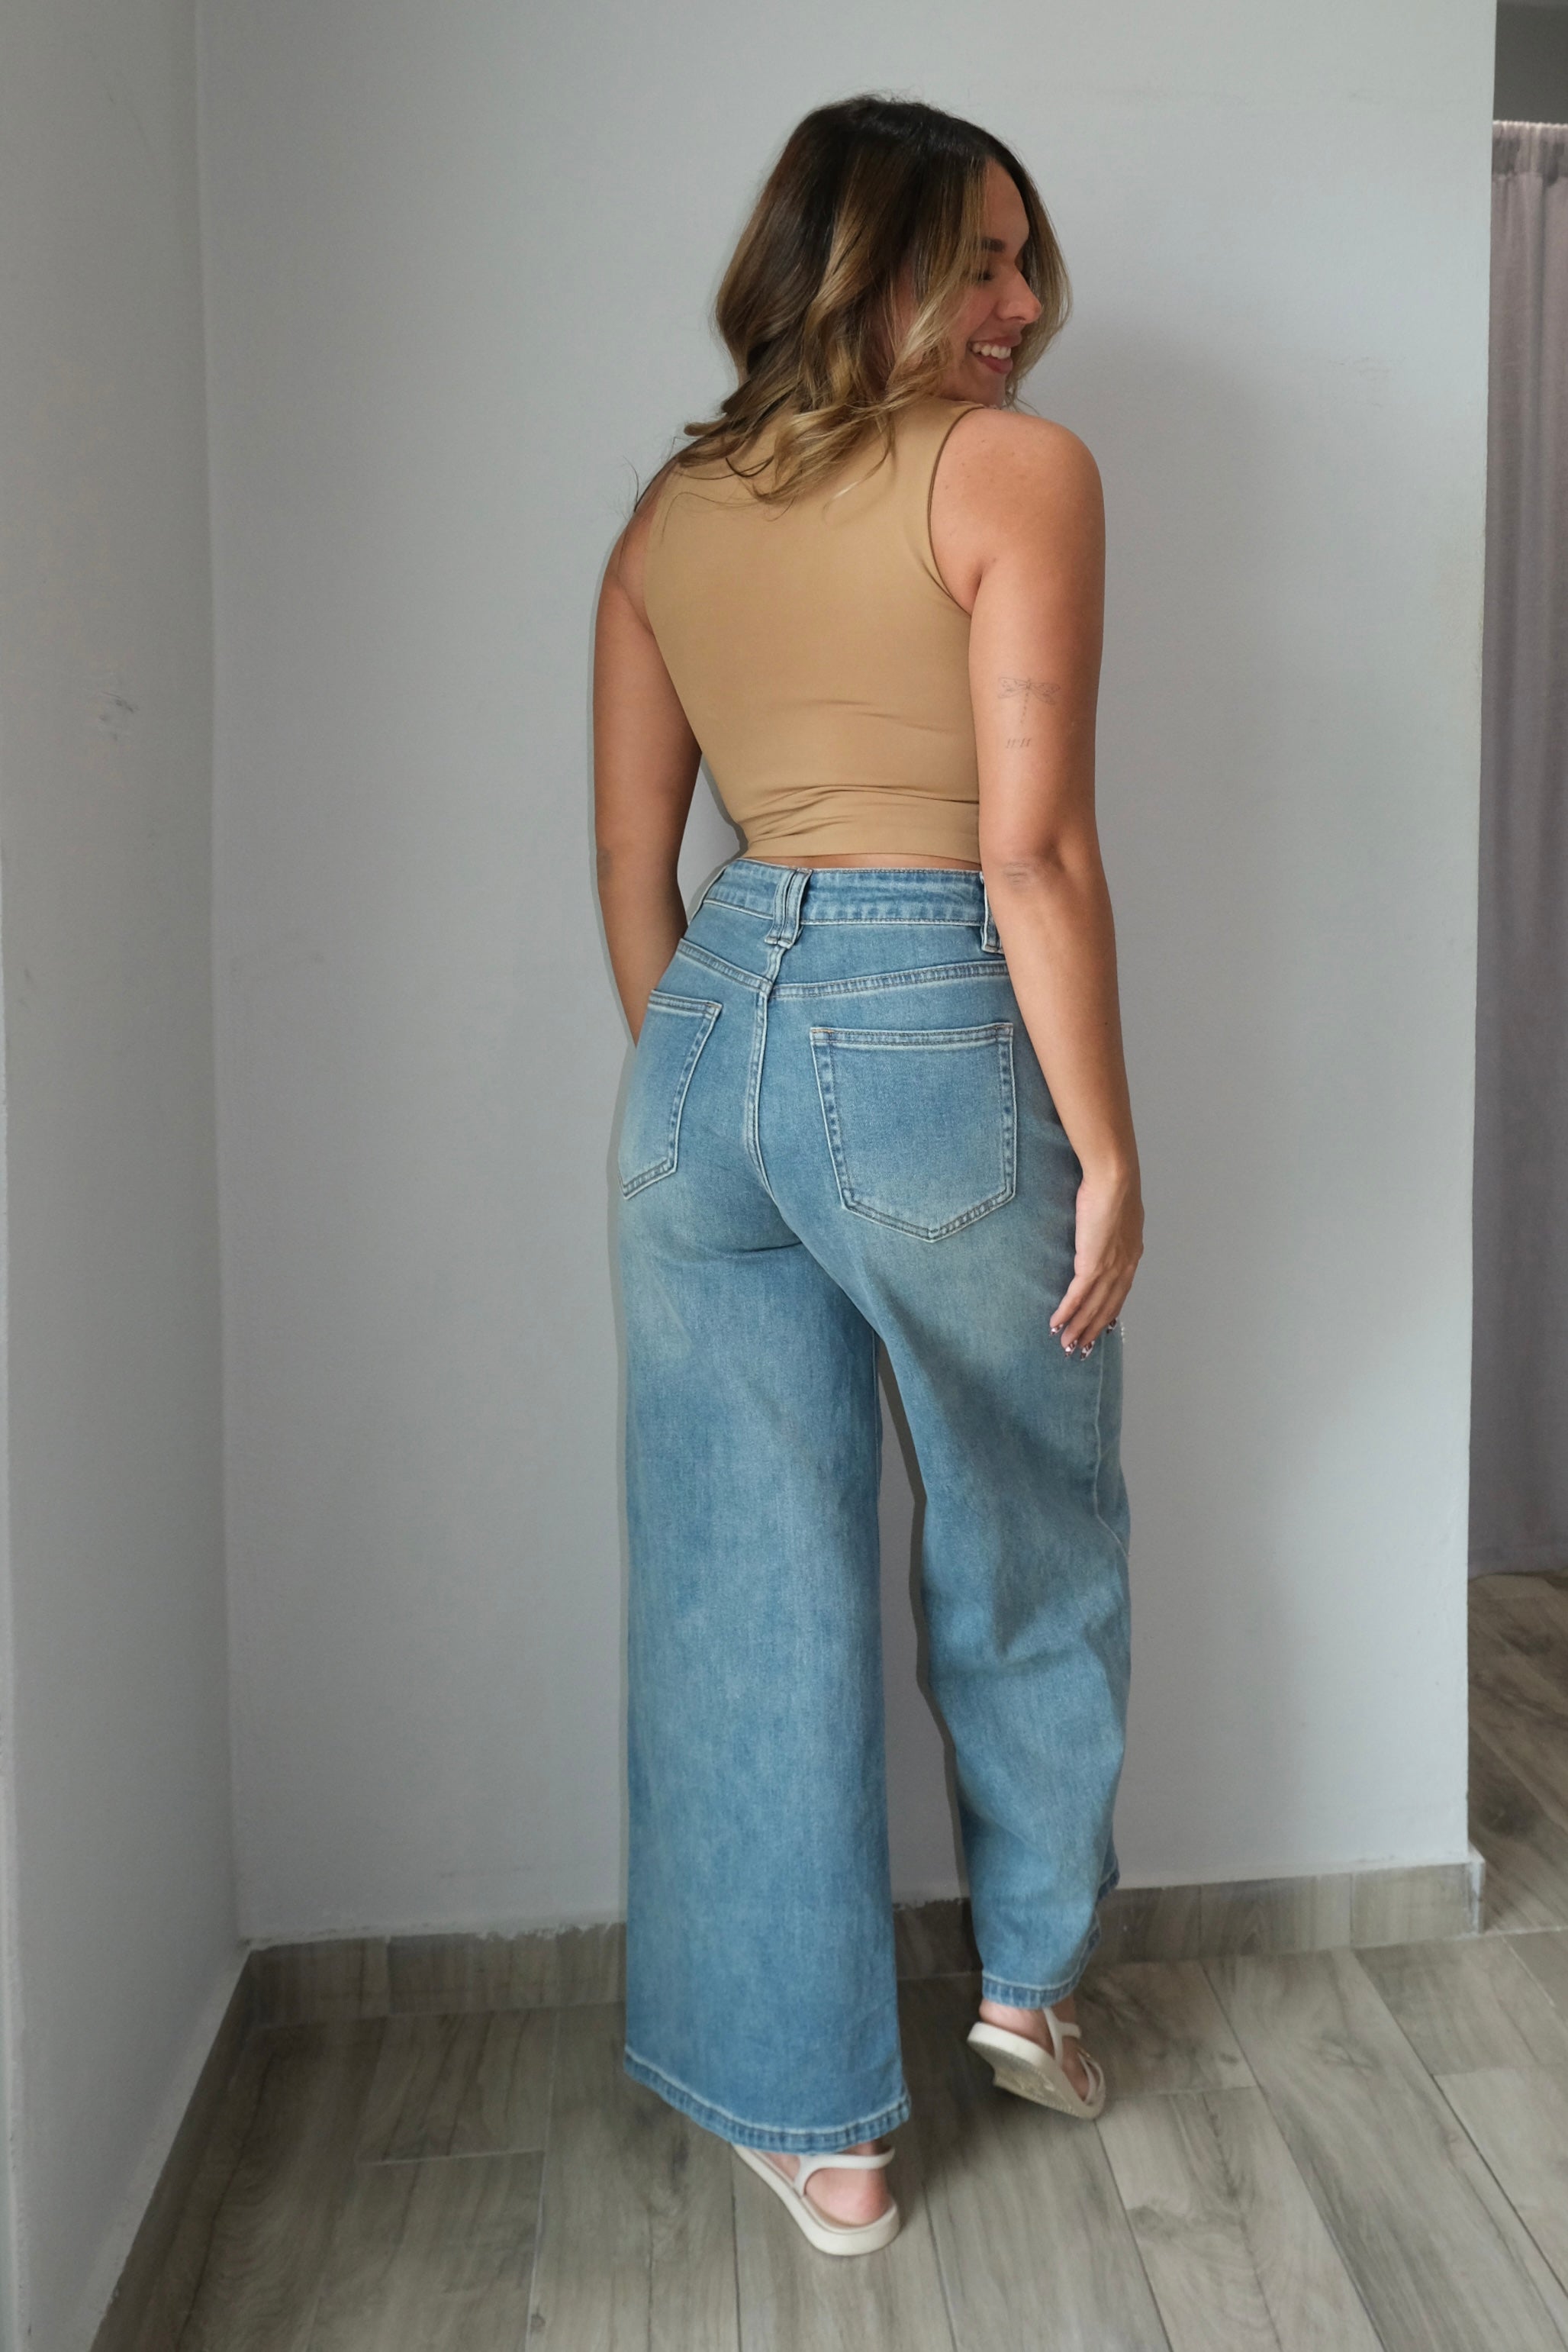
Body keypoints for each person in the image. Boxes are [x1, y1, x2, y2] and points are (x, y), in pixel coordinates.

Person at [592, 92, 1142, 2258]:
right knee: (1026, 1524)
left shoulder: (670, 512)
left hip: (704, 1029)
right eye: (973, 258)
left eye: (1024, 259)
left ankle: (822, 2137)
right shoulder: (1013, 474)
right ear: (859, 263)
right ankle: (1029, 1981)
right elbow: (1033, 850)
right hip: (932, 1011)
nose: (1018, 304)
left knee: (741, 1578)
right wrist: (1110, 1145)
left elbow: (635, 867)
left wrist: (717, 1078)